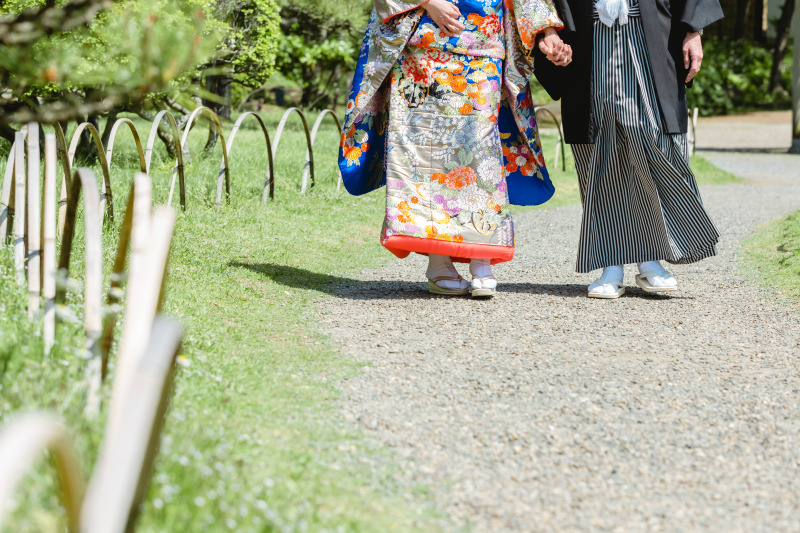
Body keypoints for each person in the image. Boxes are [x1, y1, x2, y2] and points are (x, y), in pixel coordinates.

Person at [339, 0, 571, 297]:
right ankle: (438, 261)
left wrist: (547, 30)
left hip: (482, 41)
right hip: (421, 41)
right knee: (425, 151)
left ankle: (482, 256)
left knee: (479, 150)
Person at [534, 0, 723, 298]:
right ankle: (611, 264)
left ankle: (650, 257)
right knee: (599, 150)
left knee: (653, 139)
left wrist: (692, 30)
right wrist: (545, 29)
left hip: (649, 32)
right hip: (588, 34)